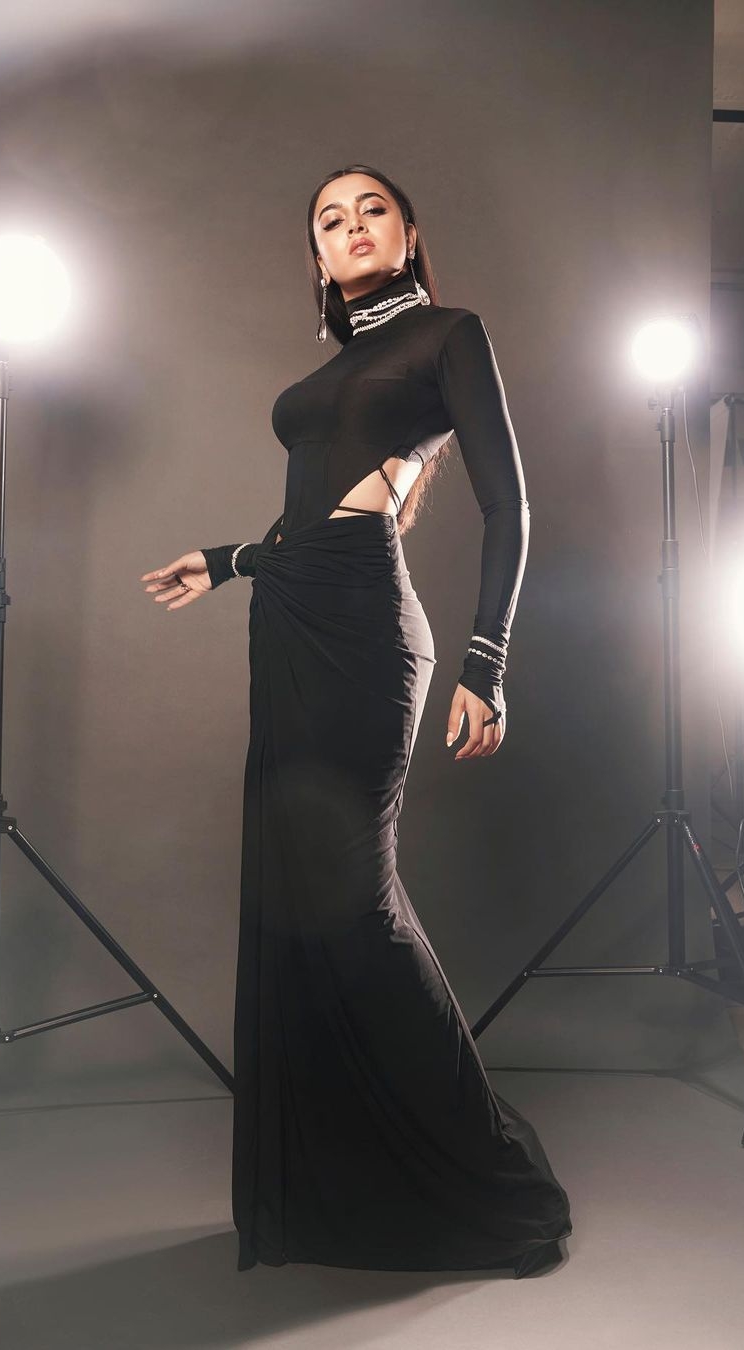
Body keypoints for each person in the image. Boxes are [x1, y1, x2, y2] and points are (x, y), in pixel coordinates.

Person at [140, 164, 572, 1277]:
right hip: (289, 617)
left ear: (410, 232)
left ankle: (474, 1170)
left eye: (371, 209)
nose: (351, 226)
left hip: (368, 633)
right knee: (300, 900)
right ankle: (336, 1184)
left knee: (359, 899)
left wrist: (488, 660)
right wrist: (227, 560)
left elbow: (509, 504)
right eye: (330, 220)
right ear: (319, 257)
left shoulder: (448, 336)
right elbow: (311, 511)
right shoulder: (332, 369)